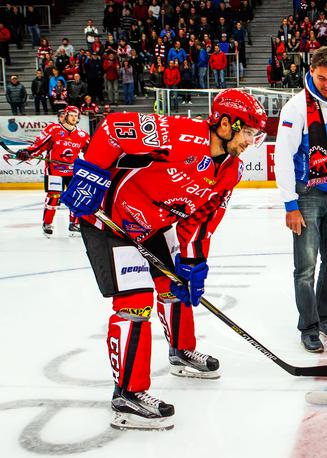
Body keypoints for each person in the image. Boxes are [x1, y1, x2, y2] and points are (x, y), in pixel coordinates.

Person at [59, 89, 267, 431]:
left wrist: (193, 263)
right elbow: (113, 128)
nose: (251, 141)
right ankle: (127, 393)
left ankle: (181, 351)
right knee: (136, 302)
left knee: (176, 285)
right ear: (227, 124)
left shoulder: (230, 170)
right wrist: (91, 175)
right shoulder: (179, 133)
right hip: (108, 218)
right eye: (248, 133)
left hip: (153, 224)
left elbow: (201, 220)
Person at [274, 46, 327, 353]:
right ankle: (307, 326)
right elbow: (282, 156)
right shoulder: (296, 107)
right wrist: (290, 203)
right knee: (306, 267)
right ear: (311, 72)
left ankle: (323, 317)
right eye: (322, 78)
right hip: (306, 194)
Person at [15, 106, 90, 236]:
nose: (74, 118)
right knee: (54, 197)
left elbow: (91, 153)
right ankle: (47, 223)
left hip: (73, 170)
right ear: (65, 115)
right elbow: (39, 145)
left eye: (76, 116)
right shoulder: (53, 129)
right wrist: (27, 152)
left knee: (75, 197)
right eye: (71, 115)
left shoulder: (83, 135)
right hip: (54, 169)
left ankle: (74, 224)